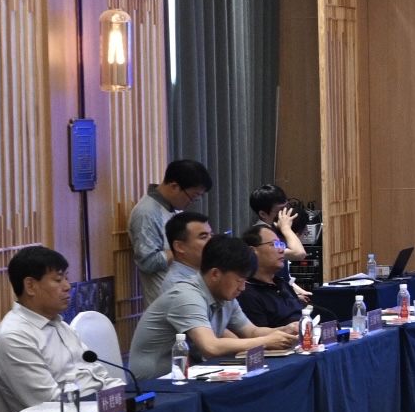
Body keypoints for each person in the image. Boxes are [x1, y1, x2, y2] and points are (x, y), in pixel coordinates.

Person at [129, 233, 296, 380]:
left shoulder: (225, 295)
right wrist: (266, 341)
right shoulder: (186, 296)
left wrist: (285, 330)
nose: (243, 288)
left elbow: (251, 332)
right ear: (216, 274)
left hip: (189, 375)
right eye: (239, 280)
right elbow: (210, 347)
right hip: (155, 384)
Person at [0, 246, 81, 412]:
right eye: (58, 280)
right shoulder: (14, 338)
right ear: (30, 286)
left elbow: (99, 376)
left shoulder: (60, 325)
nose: (67, 286)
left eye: (66, 278)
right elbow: (50, 404)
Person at [128, 158, 212, 297]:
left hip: (185, 290)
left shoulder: (174, 208)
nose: (192, 202)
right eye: (192, 197)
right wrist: (184, 248)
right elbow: (147, 263)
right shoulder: (147, 212)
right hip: (167, 298)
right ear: (174, 187)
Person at [238, 222, 311, 331]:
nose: (281, 250)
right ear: (253, 251)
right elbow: (260, 338)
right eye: (274, 244)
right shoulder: (247, 293)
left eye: (281, 244)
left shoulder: (282, 284)